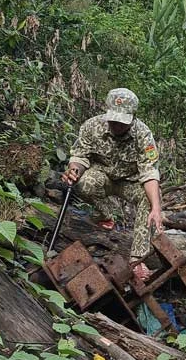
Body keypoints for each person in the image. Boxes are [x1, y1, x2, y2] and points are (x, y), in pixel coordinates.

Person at [62, 88, 164, 262]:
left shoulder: (143, 135)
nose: (116, 126)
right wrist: (74, 171)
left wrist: (156, 207)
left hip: (130, 183)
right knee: (84, 183)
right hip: (102, 176)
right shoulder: (92, 126)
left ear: (132, 117)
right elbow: (80, 155)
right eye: (113, 120)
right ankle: (106, 215)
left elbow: (149, 172)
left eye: (122, 122)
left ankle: (137, 259)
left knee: (149, 199)